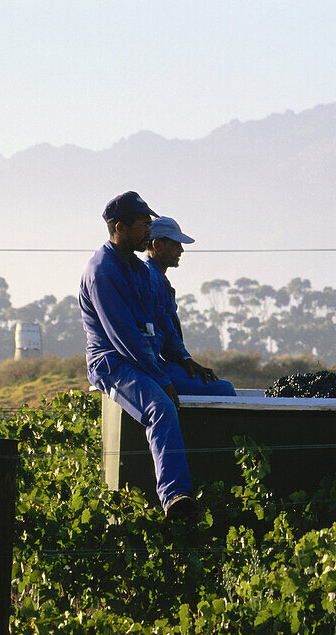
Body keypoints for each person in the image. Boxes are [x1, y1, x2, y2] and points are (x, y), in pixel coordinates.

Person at [79, 191, 197, 519]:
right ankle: (175, 495)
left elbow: (157, 321)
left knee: (215, 391)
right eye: (144, 224)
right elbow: (124, 336)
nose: (149, 231)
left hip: (146, 360)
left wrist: (183, 361)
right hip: (112, 362)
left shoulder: (140, 270)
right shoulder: (103, 271)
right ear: (121, 227)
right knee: (160, 405)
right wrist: (160, 378)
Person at [142, 216, 236, 397]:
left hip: (155, 364)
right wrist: (183, 358)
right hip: (151, 366)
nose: (181, 250)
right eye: (176, 244)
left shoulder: (156, 278)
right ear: (157, 246)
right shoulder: (151, 279)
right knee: (224, 389)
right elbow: (165, 326)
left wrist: (185, 360)